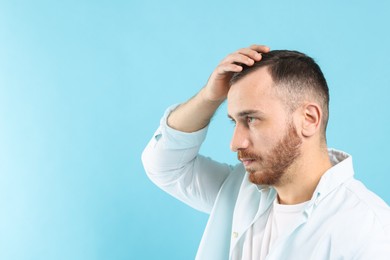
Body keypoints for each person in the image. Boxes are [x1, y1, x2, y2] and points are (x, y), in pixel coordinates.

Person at [141, 45, 390, 259]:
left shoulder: (370, 231)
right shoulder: (239, 188)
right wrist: (209, 97)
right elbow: (164, 164)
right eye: (234, 121)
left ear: (309, 119)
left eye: (251, 119)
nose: (235, 143)